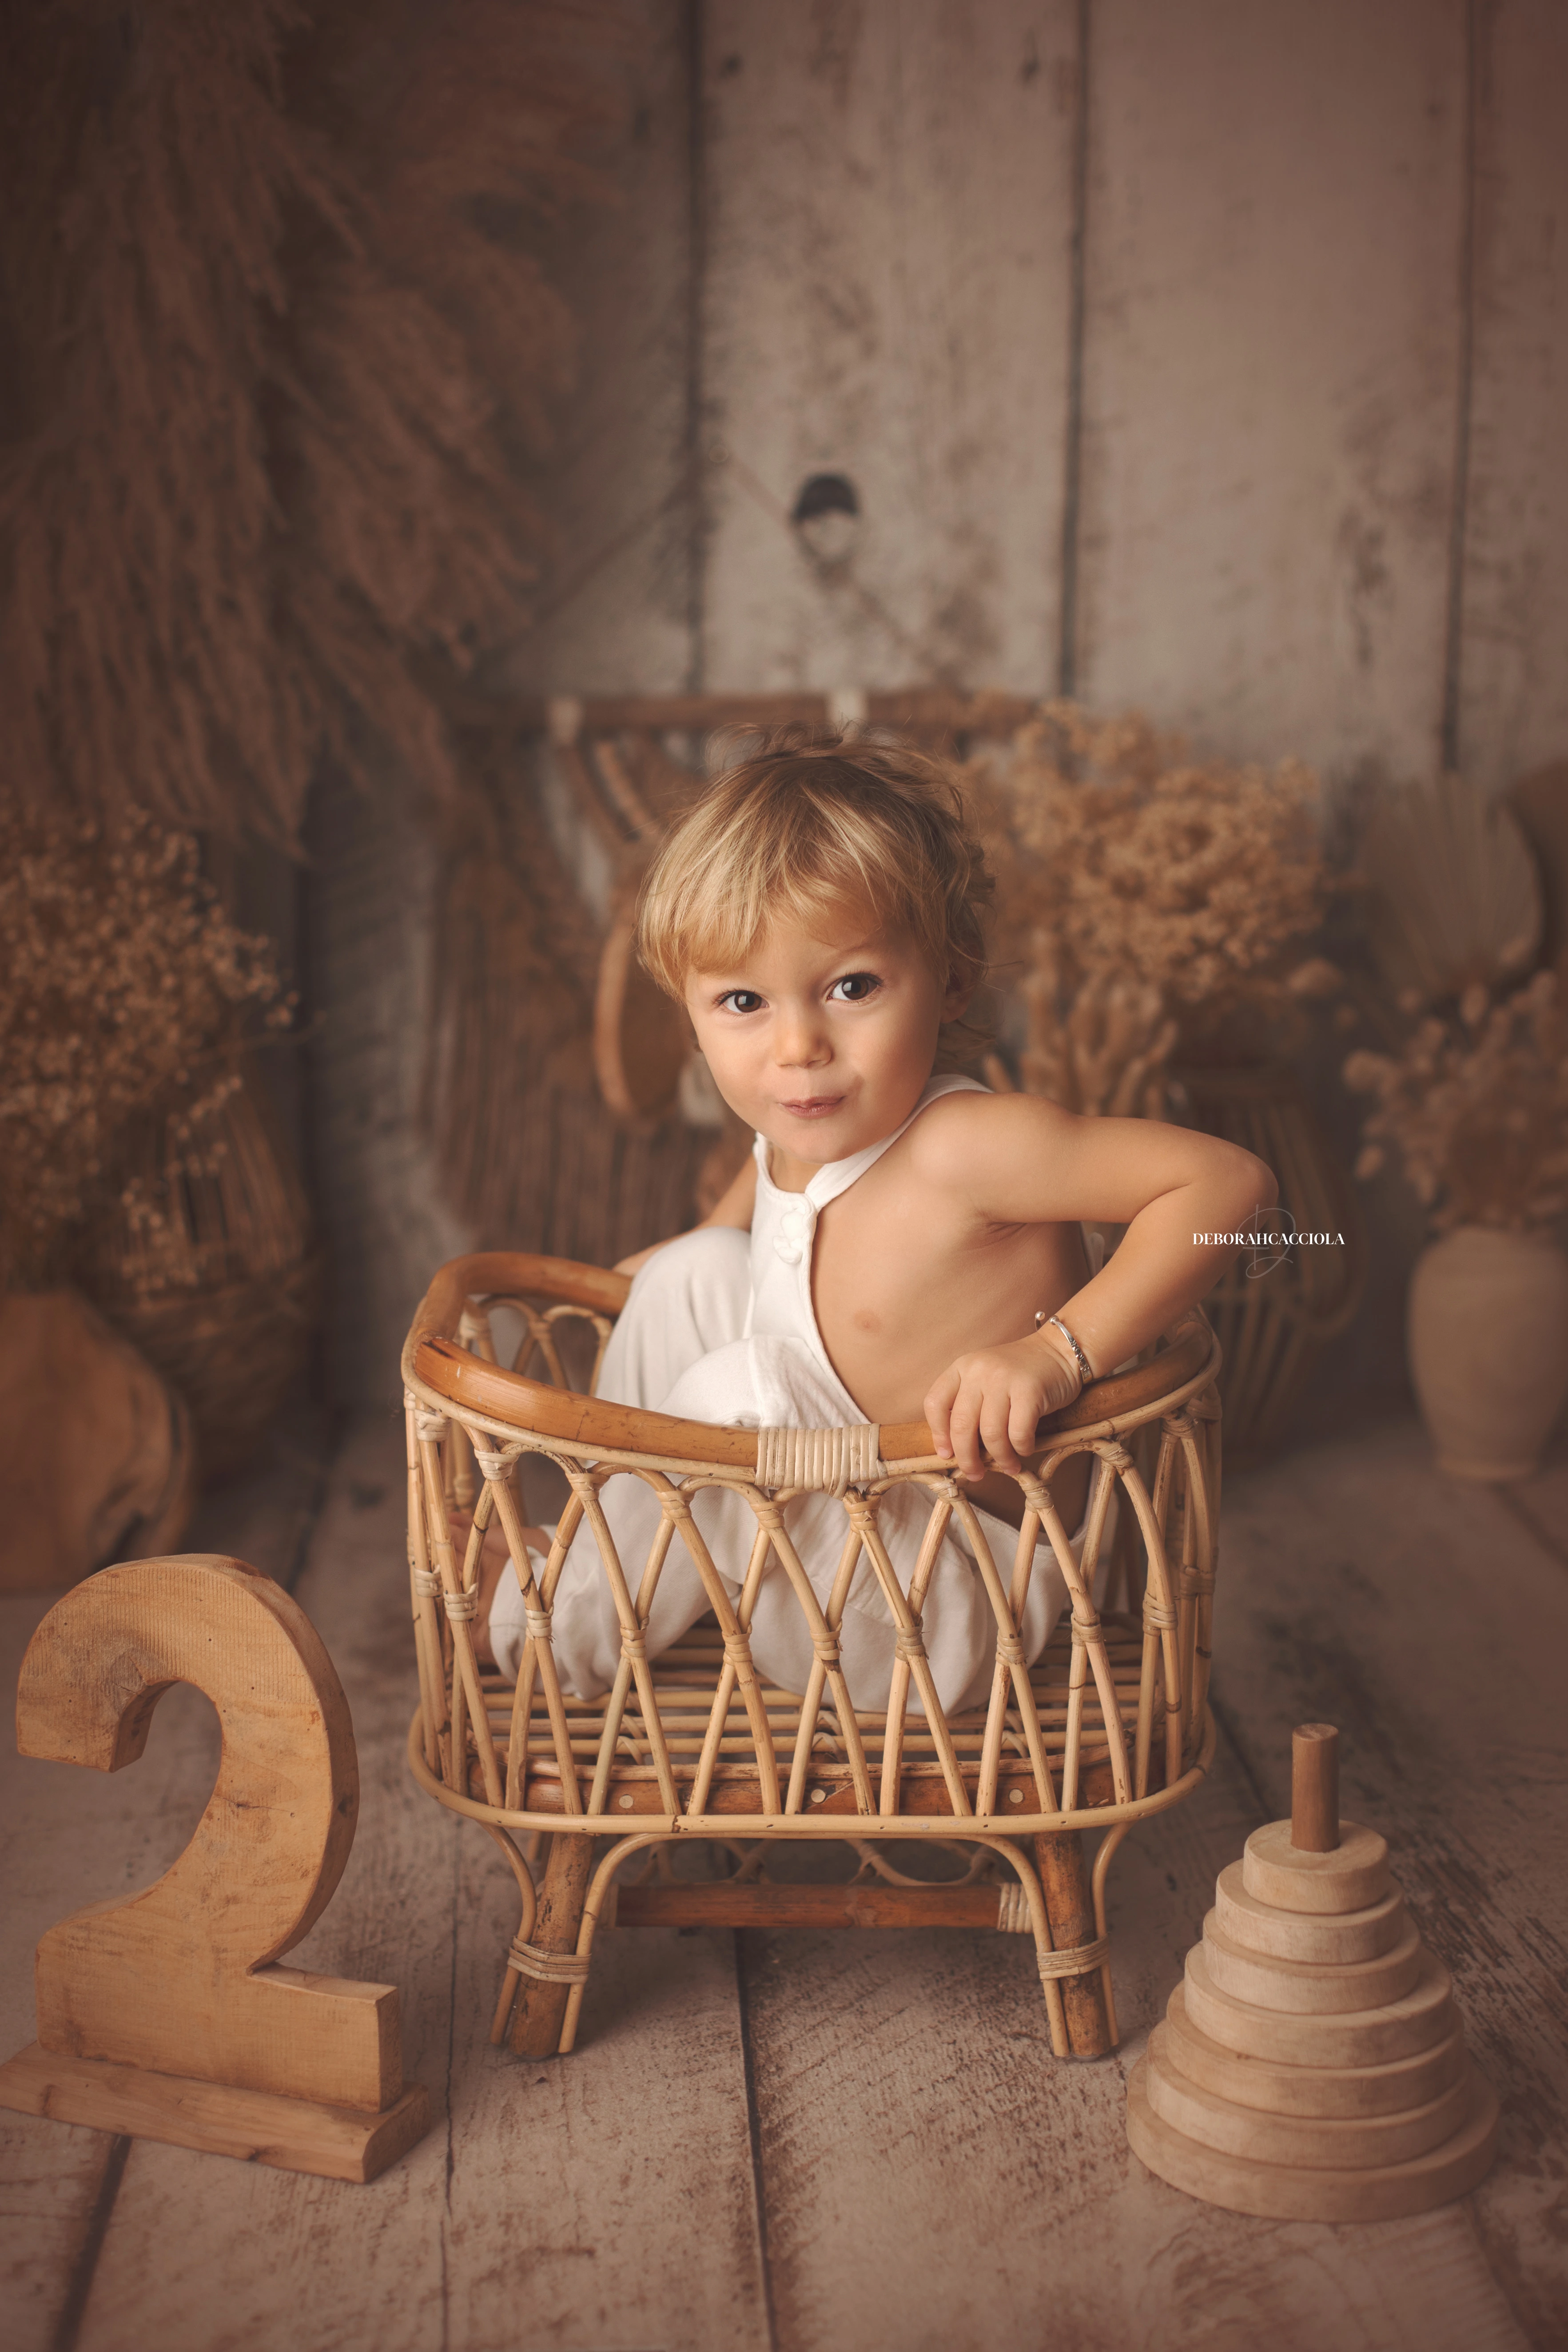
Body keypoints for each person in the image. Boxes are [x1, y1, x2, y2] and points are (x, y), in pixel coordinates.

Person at [471, 734, 1275, 1716]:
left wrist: (1056, 1356)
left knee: (748, 1383)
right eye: (741, 1002)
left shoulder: (968, 1148)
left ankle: (558, 1637)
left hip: (946, 1613)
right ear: (689, 1019)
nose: (799, 1046)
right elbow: (758, 1221)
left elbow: (1228, 1185)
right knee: (688, 1271)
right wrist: (649, 1282)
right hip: (825, 1555)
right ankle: (613, 1570)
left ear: (953, 978)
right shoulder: (797, 1130)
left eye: (852, 987)